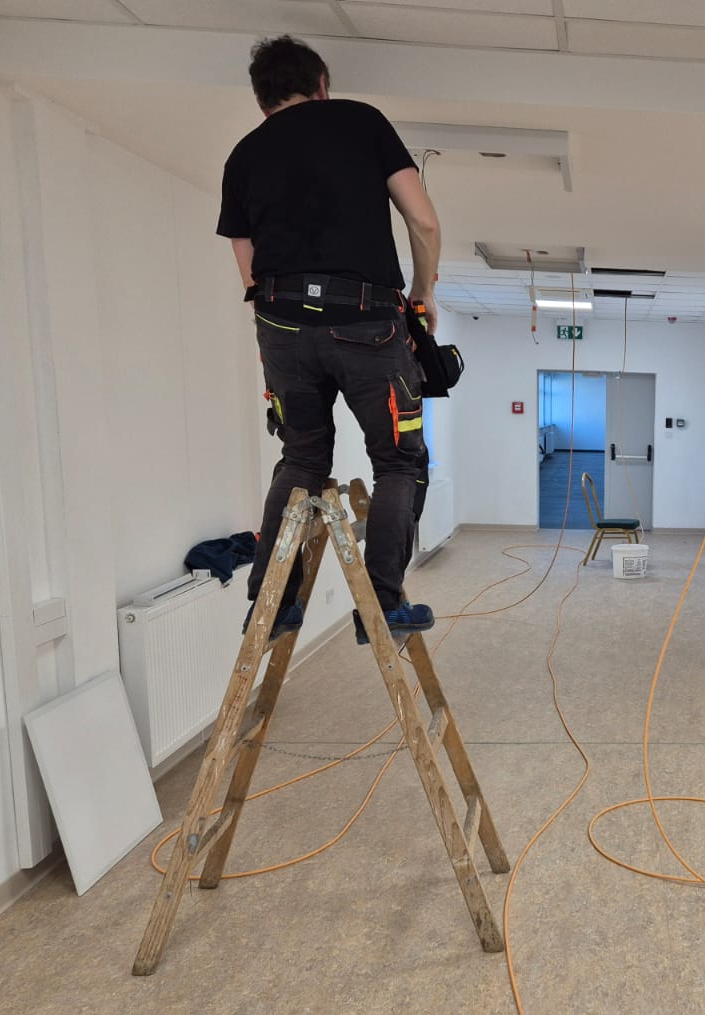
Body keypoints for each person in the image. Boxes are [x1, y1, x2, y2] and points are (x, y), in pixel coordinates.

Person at [218, 35, 441, 644]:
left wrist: (275, 325)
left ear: (262, 100)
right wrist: (422, 296)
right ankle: (382, 606)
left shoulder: (243, 155)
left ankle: (270, 606)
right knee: (399, 460)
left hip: (281, 326)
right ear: (321, 85)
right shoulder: (360, 121)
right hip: (366, 320)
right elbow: (422, 220)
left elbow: (247, 263)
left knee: (301, 459)